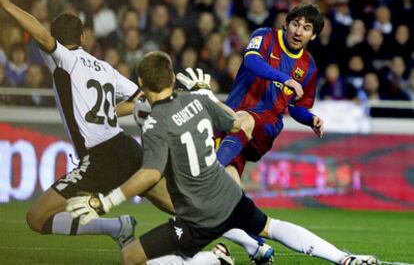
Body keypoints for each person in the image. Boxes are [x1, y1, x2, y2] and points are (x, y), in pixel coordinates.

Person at [66, 51, 379, 265]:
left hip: (198, 213)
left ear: (142, 86)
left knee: (131, 257)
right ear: (173, 80)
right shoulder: (197, 100)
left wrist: (104, 202)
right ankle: (343, 258)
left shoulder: (154, 125)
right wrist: (207, 94)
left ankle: (212, 259)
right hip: (229, 195)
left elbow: (149, 174)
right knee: (272, 225)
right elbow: (241, 122)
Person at [0, 0, 172, 247]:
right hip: (126, 146)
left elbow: (41, 36)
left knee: (36, 218)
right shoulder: (105, 68)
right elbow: (139, 100)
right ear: (83, 36)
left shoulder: (63, 60)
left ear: (57, 41)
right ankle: (231, 228)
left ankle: (116, 227)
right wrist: (111, 113)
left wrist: (6, 4)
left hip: (100, 157)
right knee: (171, 203)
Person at [215, 2, 325, 184]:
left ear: (313, 36)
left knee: (243, 120)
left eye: (306, 28)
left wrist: (310, 119)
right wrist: (285, 79)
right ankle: (237, 208)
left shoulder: (309, 67)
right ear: (286, 24)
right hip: (230, 118)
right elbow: (251, 60)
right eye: (295, 24)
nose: (298, 32)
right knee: (229, 185)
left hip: (266, 125)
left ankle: (208, 175)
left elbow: (298, 106)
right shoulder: (265, 36)